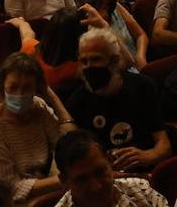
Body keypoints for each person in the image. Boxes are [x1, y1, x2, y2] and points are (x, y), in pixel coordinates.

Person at [0, 52, 75, 207]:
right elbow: (10, 189)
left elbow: (70, 143)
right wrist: (63, 179)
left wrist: (51, 97)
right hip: (5, 204)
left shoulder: (37, 106)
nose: (19, 94)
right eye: (13, 87)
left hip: (44, 189)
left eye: (27, 88)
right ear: (3, 87)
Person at [65, 27, 170, 170]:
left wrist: (148, 156)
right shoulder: (76, 103)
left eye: (96, 59)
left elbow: (163, 144)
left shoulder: (143, 86)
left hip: (148, 168)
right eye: (84, 61)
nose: (88, 67)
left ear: (114, 60)